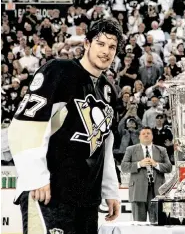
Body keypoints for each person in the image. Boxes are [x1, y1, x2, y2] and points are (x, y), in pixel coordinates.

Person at [7, 19, 122, 234]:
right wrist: (36, 177)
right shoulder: (59, 71)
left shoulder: (108, 90)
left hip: (86, 201)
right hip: (49, 193)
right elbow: (24, 125)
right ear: (87, 44)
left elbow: (104, 145)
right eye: (100, 43)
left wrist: (110, 190)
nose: (106, 51)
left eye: (112, 47)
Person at [120, 127, 172, 221]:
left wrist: (156, 164)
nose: (146, 135)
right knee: (138, 225)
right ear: (139, 137)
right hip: (138, 190)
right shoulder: (131, 149)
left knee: (158, 224)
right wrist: (139, 164)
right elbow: (123, 167)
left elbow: (169, 168)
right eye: (143, 133)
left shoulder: (162, 150)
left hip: (157, 191)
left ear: (152, 136)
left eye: (148, 133)